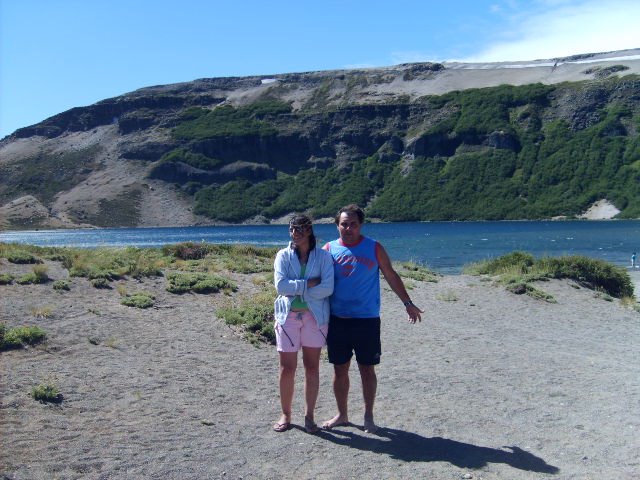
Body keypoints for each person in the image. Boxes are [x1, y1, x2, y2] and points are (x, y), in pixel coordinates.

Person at [322, 204, 423, 433]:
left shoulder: (374, 248)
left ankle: (368, 416)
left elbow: (390, 275)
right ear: (337, 225)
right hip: (337, 320)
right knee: (339, 369)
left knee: (367, 369)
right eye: (344, 224)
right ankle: (342, 414)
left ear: (361, 225)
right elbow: (317, 281)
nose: (348, 228)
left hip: (366, 320)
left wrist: (407, 303)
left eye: (353, 224)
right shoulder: (328, 249)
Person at [272, 215, 334, 433]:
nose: (294, 233)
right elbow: (280, 286)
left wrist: (298, 288)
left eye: (299, 229)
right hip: (287, 317)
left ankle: (309, 416)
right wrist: (309, 284)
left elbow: (327, 288)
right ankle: (286, 414)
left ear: (309, 231)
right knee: (287, 368)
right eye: (291, 229)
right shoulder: (282, 255)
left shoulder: (323, 257)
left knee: (312, 366)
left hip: (314, 318)